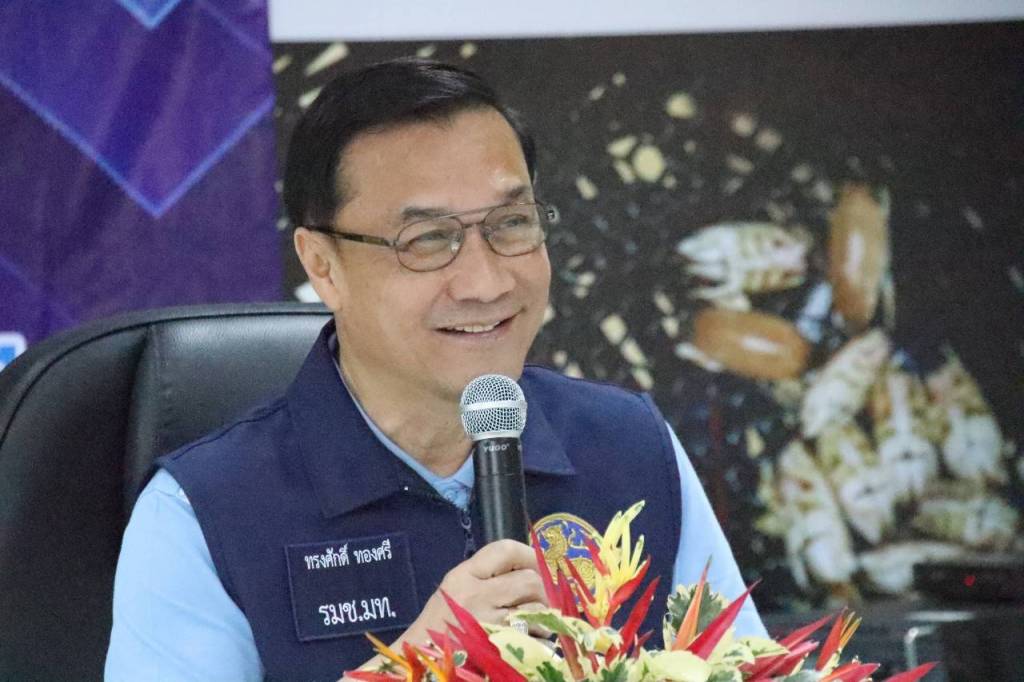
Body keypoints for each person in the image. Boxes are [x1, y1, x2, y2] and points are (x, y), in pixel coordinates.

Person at [105, 58, 765, 682]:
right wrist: (411, 666)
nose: (485, 282)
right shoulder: (202, 514)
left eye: (511, 223)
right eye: (426, 240)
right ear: (322, 266)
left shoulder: (630, 446)